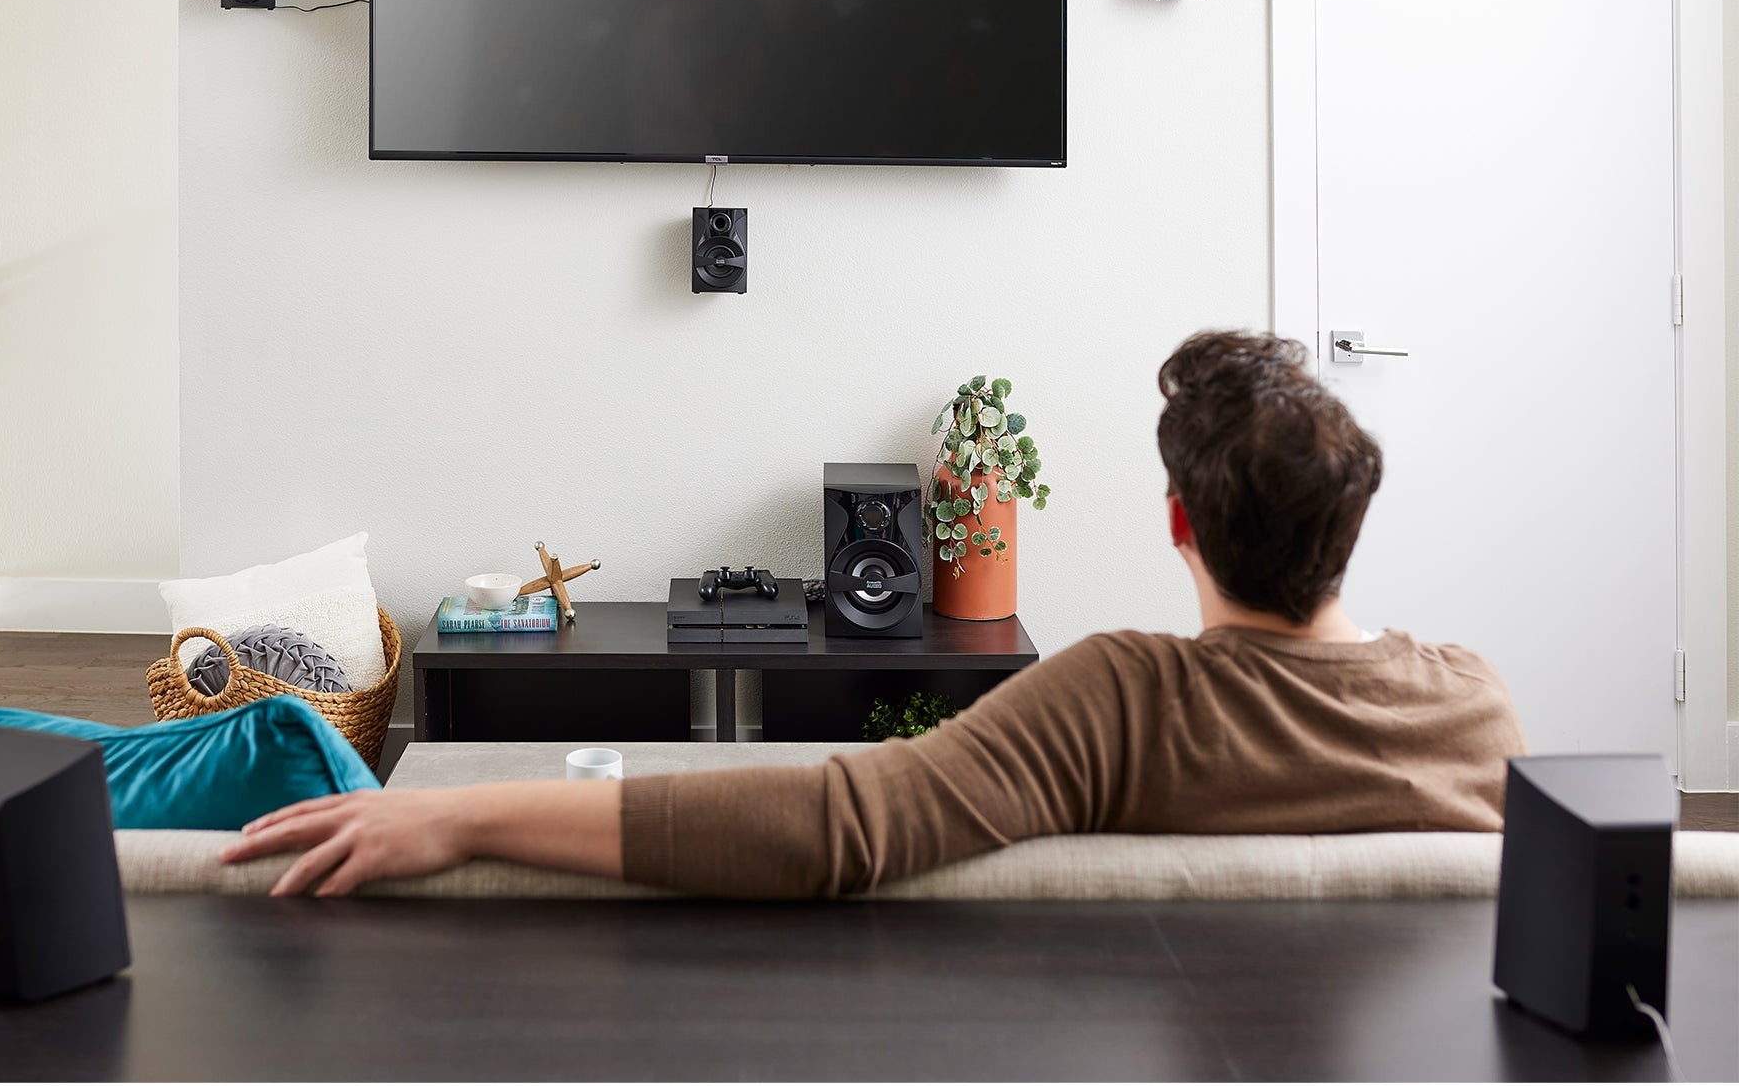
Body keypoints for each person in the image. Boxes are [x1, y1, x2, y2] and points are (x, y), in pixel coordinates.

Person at [224, 330, 1525, 900]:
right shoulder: (1471, 707)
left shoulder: (1126, 698)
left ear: (1179, 522)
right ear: (1353, 522)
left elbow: (834, 824)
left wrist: (455, 811)